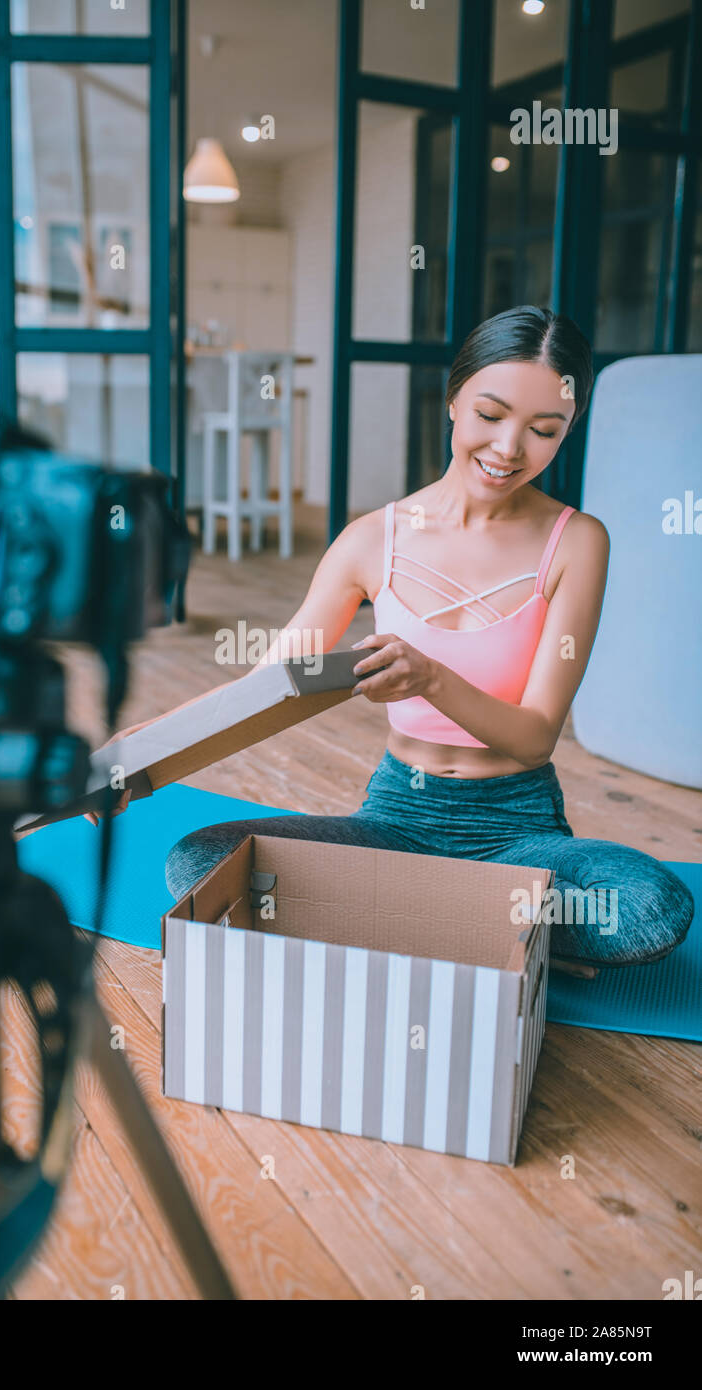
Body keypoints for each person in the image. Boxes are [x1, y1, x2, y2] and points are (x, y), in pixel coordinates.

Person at [92, 305, 695, 979]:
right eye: (490, 416)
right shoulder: (373, 539)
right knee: (198, 863)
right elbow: (261, 690)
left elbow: (533, 737)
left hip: (517, 833)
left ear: (566, 432)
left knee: (647, 908)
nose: (508, 448)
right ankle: (495, 932)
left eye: (543, 431)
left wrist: (431, 678)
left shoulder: (577, 542)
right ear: (453, 400)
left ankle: (398, 919)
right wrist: (138, 756)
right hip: (395, 820)